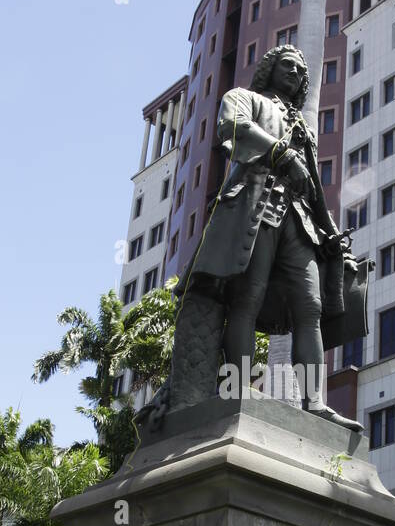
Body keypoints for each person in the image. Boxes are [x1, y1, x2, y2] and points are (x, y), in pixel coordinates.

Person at [137, 45, 367, 433]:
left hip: (300, 221)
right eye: (287, 65)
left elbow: (312, 187)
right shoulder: (245, 98)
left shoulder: (305, 128)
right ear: (269, 70)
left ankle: (314, 403)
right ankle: (236, 389)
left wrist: (330, 234)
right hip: (255, 206)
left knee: (309, 307)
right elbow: (233, 128)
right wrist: (279, 153)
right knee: (247, 297)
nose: (294, 72)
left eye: (300, 69)